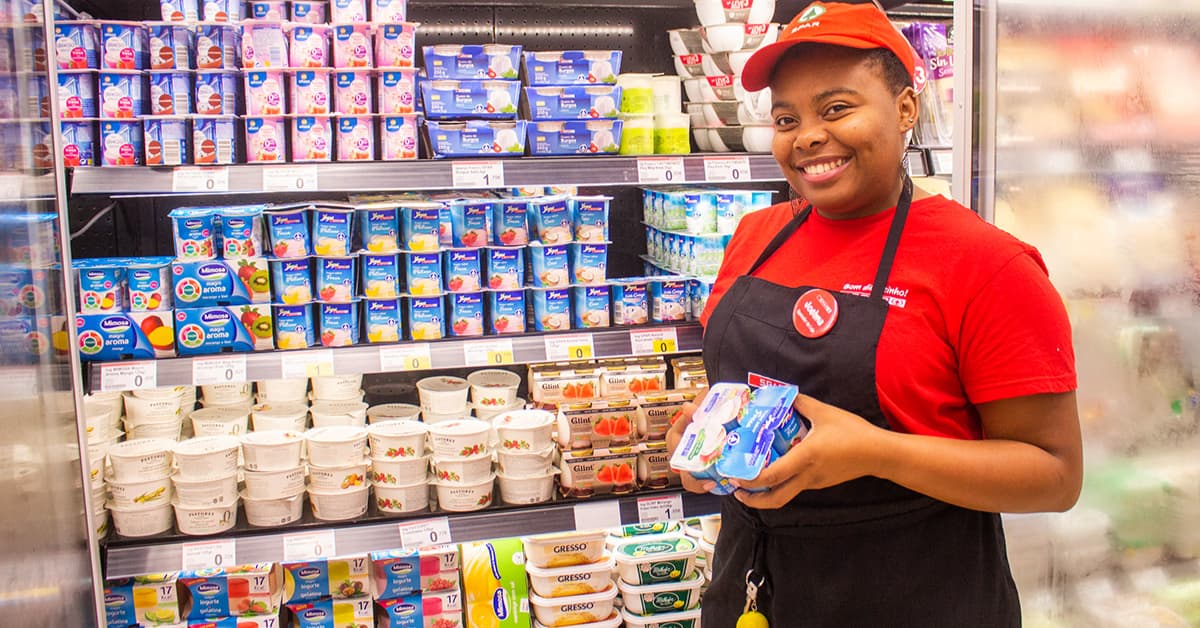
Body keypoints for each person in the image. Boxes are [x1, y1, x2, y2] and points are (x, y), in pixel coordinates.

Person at [665, 2, 1083, 626]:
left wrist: (875, 452)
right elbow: (754, 389)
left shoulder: (985, 264)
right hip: (750, 583)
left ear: (906, 108)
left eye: (836, 108)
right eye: (787, 118)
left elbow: (1054, 476)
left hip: (916, 592)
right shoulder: (756, 235)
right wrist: (708, 425)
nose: (807, 135)